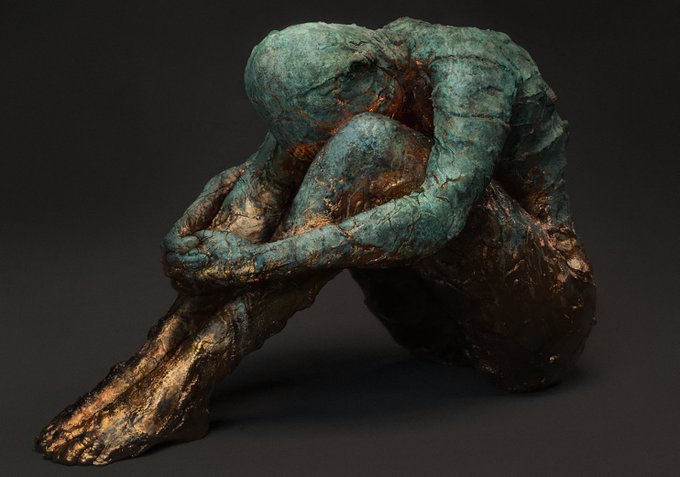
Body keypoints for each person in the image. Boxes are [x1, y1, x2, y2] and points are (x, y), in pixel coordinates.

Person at [37, 17, 596, 465]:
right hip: (432, 330)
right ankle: (159, 362)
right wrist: (193, 250)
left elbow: (441, 215)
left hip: (538, 329)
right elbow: (265, 181)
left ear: (364, 72)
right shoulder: (360, 76)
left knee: (366, 145)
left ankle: (190, 379)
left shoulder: (469, 71)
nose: (322, 150)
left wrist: (257, 262)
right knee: (305, 161)